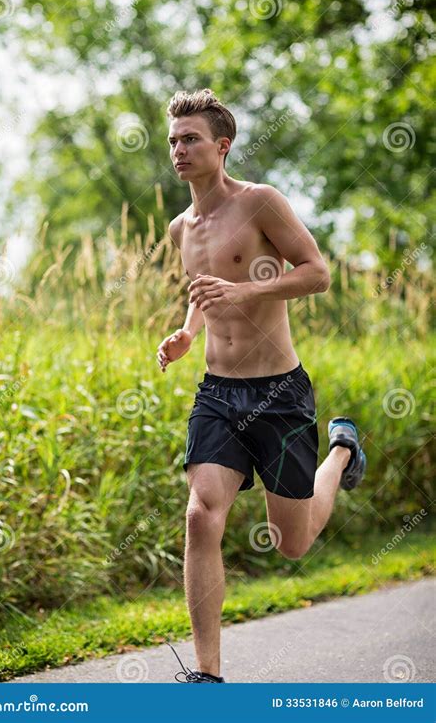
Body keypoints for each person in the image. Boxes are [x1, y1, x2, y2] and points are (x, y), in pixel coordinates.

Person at [156, 88, 366, 684]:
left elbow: (318, 273)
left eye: (191, 138)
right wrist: (188, 332)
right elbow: (203, 292)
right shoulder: (181, 228)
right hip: (218, 393)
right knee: (201, 514)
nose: (179, 149)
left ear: (222, 147)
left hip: (279, 393)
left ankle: (342, 452)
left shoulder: (260, 203)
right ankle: (207, 674)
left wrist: (246, 291)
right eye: (174, 140)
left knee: (292, 544)